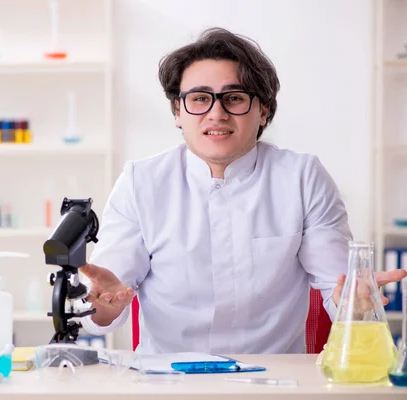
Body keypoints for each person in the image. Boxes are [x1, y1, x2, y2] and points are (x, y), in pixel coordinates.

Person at [79, 27, 407, 355]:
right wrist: (102, 302)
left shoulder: (302, 177)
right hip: (168, 379)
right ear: (178, 112)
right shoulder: (141, 182)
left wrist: (356, 304)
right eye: (199, 99)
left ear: (263, 110)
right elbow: (106, 304)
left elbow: (340, 293)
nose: (216, 113)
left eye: (234, 98)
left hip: (274, 379)